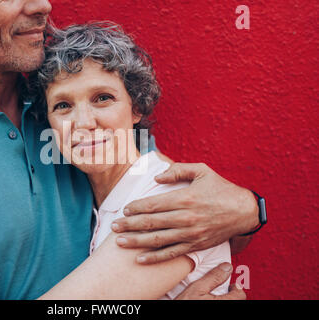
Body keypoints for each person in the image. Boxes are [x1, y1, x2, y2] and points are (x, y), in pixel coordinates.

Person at [0, 0, 258, 300]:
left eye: (103, 99)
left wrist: (250, 208)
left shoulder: (63, 103)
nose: (43, 5)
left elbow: (203, 227)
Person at [28, 22, 231, 299]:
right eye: (63, 105)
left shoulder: (164, 199)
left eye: (102, 98)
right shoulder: (97, 204)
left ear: (136, 107)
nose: (84, 123)